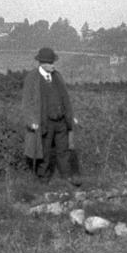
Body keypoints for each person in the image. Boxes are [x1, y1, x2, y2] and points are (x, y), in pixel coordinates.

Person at [21, 46, 77, 182]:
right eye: (50, 63)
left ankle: (66, 178)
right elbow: (26, 103)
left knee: (63, 151)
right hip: (44, 122)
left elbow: (65, 98)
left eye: (53, 63)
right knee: (44, 152)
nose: (53, 65)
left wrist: (70, 116)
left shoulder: (57, 76)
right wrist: (31, 121)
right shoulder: (32, 78)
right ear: (42, 63)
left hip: (61, 121)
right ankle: (43, 179)